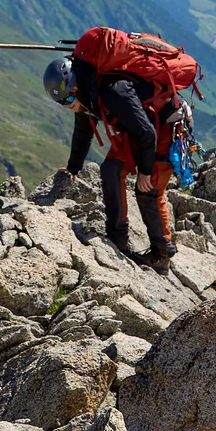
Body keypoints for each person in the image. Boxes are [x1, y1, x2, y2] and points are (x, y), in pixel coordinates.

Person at [43, 31, 186, 271]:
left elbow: (148, 134)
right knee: (110, 169)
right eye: (62, 103)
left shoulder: (112, 91)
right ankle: (118, 239)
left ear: (75, 86)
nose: (68, 107)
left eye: (67, 100)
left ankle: (162, 253)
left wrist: (144, 171)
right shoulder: (87, 95)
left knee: (148, 190)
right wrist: (73, 168)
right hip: (140, 125)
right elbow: (83, 132)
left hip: (164, 125)